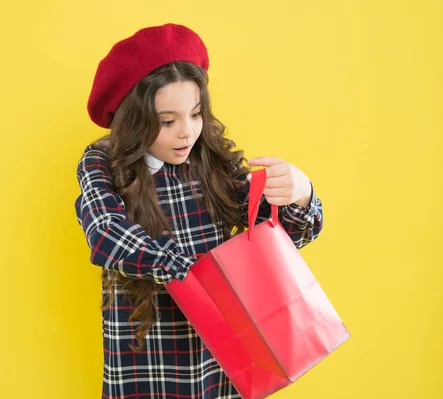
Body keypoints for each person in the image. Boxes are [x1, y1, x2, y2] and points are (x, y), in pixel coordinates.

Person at [74, 23, 324, 399]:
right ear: (134, 119)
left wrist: (300, 194)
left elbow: (281, 240)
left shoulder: (210, 158)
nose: (187, 133)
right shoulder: (102, 162)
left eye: (195, 114)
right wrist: (194, 276)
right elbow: (106, 232)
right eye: (167, 121)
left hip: (223, 361)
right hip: (149, 359)